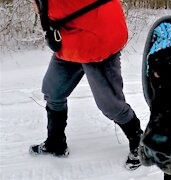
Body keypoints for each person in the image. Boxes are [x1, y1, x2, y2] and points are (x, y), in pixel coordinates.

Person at [29, 0, 143, 170]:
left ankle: (139, 143)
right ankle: (56, 143)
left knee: (110, 104)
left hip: (98, 39)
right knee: (53, 91)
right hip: (70, 39)